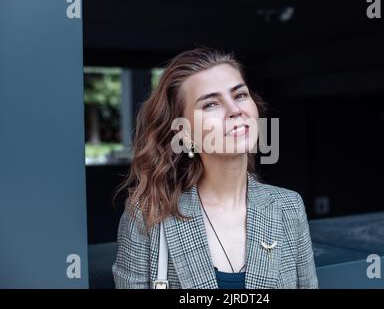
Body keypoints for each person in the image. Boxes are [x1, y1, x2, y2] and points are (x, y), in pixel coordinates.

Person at [112, 47, 318, 289]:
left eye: (240, 95)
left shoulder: (288, 207)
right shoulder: (147, 214)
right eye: (210, 104)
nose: (234, 111)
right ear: (184, 132)